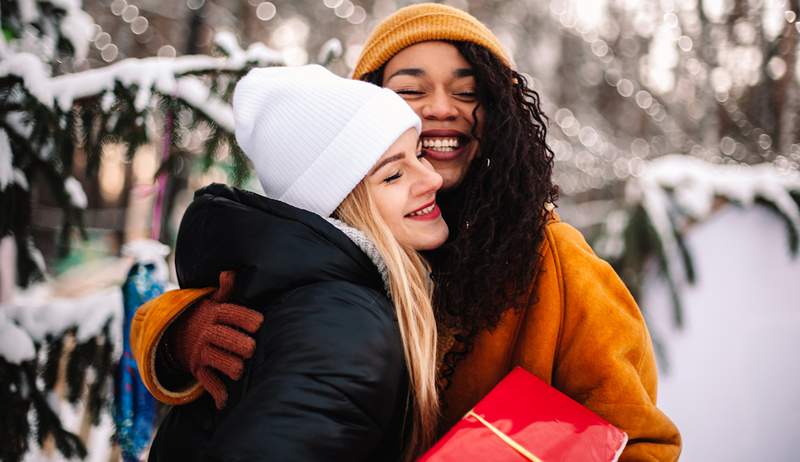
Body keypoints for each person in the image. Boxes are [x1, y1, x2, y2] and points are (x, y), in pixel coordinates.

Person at [133, 4, 682, 460]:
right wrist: (182, 335)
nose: (443, 109)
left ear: (500, 113)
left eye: (469, 92)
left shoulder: (554, 259)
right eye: (411, 90)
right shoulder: (339, 229)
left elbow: (642, 441)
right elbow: (259, 280)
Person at [134, 64, 449, 461]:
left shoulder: (315, 297)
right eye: (393, 175)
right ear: (341, 207)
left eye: (419, 155)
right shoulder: (345, 325)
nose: (432, 179)